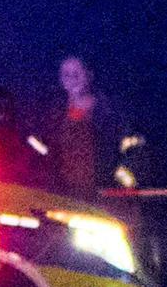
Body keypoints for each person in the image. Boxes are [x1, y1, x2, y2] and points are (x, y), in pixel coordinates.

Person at [51, 56, 146, 196]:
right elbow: (45, 154)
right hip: (65, 197)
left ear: (89, 75)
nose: (72, 79)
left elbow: (135, 148)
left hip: (106, 196)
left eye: (77, 73)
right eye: (66, 75)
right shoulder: (52, 117)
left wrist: (123, 181)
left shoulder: (112, 113)